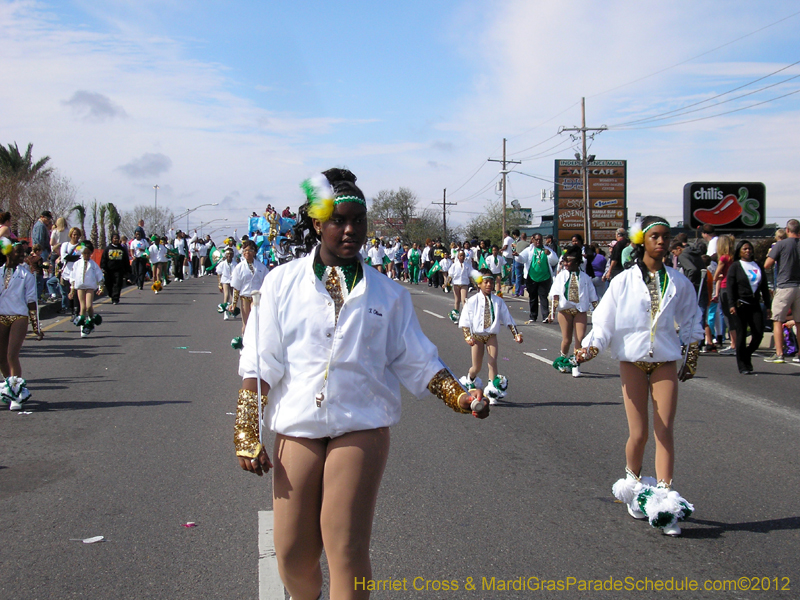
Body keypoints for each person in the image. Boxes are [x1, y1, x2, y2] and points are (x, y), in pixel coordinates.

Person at [234, 168, 488, 600]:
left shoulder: (389, 295)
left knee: (346, 546)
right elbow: (261, 363)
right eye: (338, 220)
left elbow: (419, 360)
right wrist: (245, 430)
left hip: (361, 423)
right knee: (292, 552)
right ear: (317, 223)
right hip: (299, 422)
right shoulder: (280, 284)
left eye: (358, 221)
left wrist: (461, 396)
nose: (350, 230)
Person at [576, 216, 702, 536]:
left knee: (665, 429)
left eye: (665, 237)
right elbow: (604, 322)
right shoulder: (623, 281)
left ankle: (665, 502)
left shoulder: (678, 281)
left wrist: (692, 355)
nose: (661, 242)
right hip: (632, 361)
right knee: (639, 433)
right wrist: (590, 348)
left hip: (664, 361)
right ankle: (633, 486)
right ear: (641, 241)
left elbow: (691, 320)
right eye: (655, 237)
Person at [458, 268, 522, 404]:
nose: (489, 285)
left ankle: (493, 391)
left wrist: (516, 334)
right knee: (477, 367)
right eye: (485, 282)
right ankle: (470, 378)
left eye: (490, 283)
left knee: (492, 362)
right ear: (479, 284)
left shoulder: (498, 302)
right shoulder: (472, 301)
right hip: (477, 336)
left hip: (491, 335)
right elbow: (465, 321)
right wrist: (468, 336)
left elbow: (507, 319)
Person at [0, 243, 43, 410]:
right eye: (18, 252)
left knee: (12, 355)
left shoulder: (26, 275)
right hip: (1, 316)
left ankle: (16, 394)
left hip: (19, 316)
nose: (21, 255)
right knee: (1, 357)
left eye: (22, 253)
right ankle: (11, 386)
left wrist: (36, 326)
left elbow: (31, 301)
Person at [549, 245, 598, 377]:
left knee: (579, 339)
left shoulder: (585, 278)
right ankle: (563, 360)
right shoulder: (561, 276)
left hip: (580, 311)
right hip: (565, 311)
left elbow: (593, 296)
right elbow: (555, 294)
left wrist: (598, 313)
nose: (566, 263)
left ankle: (575, 365)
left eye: (569, 261)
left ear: (577, 262)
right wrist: (552, 312)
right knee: (567, 340)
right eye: (564, 261)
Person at [726, 240, 771, 374]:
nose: (748, 251)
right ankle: (743, 365)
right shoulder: (735, 266)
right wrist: (731, 304)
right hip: (740, 304)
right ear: (739, 251)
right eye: (745, 249)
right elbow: (730, 287)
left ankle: (746, 354)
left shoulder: (757, 265)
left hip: (755, 304)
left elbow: (764, 287)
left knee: (758, 333)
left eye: (749, 249)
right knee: (741, 334)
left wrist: (768, 306)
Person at [764, 219, 800, 363]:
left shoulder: (781, 244)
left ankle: (779, 353)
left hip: (785, 285)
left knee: (777, 320)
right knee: (799, 322)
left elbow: (767, 264)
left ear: (787, 230)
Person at [228, 239, 268, 349]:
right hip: (245, 298)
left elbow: (267, 284)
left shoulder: (261, 267)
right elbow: (236, 287)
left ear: (255, 252)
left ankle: (257, 346)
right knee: (246, 324)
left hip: (258, 298)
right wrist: (233, 304)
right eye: (245, 250)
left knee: (257, 323)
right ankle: (245, 346)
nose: (247, 252)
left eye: (250, 250)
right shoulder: (239, 268)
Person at [515, 233, 556, 324]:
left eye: (540, 240)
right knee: (533, 297)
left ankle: (545, 316)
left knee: (543, 297)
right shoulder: (529, 250)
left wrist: (549, 254)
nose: (538, 241)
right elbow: (522, 259)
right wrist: (517, 256)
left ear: (542, 241)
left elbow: (555, 261)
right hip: (532, 278)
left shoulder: (547, 250)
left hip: (545, 278)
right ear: (533, 240)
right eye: (536, 240)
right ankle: (533, 316)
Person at [68, 241, 104, 338]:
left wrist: (101, 287)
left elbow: (99, 276)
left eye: (88, 253)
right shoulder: (77, 264)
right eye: (84, 253)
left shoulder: (93, 264)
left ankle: (91, 320)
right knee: (82, 307)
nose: (86, 255)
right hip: (80, 287)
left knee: (89, 306)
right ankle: (83, 327)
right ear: (81, 253)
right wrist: (72, 290)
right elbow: (73, 277)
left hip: (90, 287)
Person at [712, 234, 737, 355]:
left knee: (728, 316)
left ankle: (734, 344)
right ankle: (736, 343)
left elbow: (715, 276)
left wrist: (719, 276)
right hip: (735, 287)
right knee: (735, 316)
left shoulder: (723, 259)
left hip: (725, 287)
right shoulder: (734, 258)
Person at [100, 232, 130, 305]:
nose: (116, 240)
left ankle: (115, 298)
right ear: (112, 239)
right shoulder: (108, 249)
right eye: (114, 238)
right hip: (109, 270)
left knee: (118, 284)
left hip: (119, 270)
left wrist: (127, 270)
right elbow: (104, 259)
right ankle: (111, 294)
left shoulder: (122, 249)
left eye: (117, 238)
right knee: (108, 284)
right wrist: (103, 268)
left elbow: (125, 260)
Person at [59, 227, 83, 316]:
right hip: (67, 273)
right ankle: (71, 309)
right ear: (70, 235)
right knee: (69, 293)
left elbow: (80, 257)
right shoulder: (65, 245)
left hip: (77, 274)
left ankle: (76, 312)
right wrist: (73, 258)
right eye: (74, 234)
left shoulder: (81, 246)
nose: (75, 236)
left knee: (76, 293)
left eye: (77, 234)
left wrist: (72, 258)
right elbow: (64, 257)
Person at [447, 249, 471, 322]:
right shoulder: (454, 265)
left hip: (464, 284)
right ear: (458, 256)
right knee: (457, 300)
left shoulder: (467, 265)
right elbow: (450, 275)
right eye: (460, 256)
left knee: (464, 301)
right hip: (456, 284)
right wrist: (446, 283)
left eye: (463, 256)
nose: (462, 257)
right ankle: (456, 317)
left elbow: (470, 275)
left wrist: (476, 284)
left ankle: (464, 318)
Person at [216, 247, 238, 320]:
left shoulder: (235, 264)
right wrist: (219, 284)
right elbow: (218, 273)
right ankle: (226, 312)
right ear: (225, 255)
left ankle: (232, 311)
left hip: (233, 281)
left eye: (230, 254)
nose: (229, 256)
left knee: (233, 296)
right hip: (225, 280)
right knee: (226, 295)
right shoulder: (222, 264)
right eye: (227, 254)